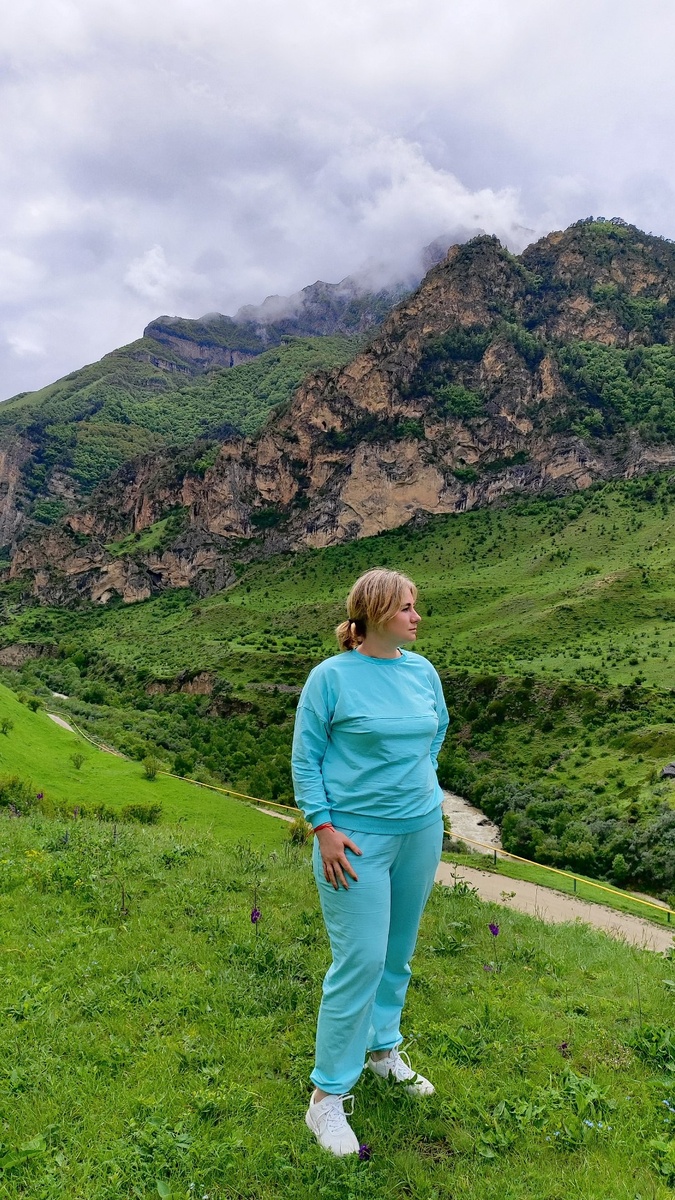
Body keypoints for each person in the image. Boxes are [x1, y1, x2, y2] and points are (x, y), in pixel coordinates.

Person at [291, 567, 449, 1156]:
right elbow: (305, 758)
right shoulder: (331, 678)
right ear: (377, 613)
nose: (416, 617)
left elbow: (436, 733)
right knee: (360, 959)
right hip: (354, 842)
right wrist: (323, 827)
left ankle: (383, 1051)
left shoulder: (422, 672)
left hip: (420, 832)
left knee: (397, 953)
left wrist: (421, 788)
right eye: (407, 607)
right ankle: (326, 1098)